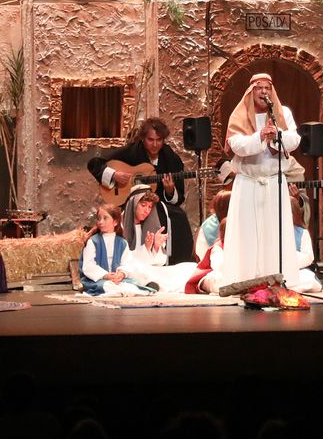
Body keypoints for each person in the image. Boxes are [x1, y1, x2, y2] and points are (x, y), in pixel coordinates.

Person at [215, 74, 302, 289]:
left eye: (267, 88)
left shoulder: (283, 113)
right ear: (251, 91)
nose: (264, 92)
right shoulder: (241, 113)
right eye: (259, 88)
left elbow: (295, 139)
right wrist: (260, 136)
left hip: (274, 182)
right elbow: (236, 144)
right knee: (247, 234)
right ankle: (244, 280)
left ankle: (278, 277)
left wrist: (277, 135)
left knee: (275, 233)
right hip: (248, 182)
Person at [86, 117, 194, 263]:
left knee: (178, 216)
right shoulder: (132, 152)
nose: (155, 144)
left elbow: (178, 198)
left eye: (159, 140)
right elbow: (95, 164)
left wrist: (170, 191)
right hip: (129, 203)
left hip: (157, 204)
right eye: (150, 140)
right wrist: (115, 175)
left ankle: (172, 261)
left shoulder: (170, 158)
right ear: (143, 138)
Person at [117, 188, 198, 293]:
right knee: (142, 272)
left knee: (190, 267)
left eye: (150, 207)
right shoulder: (119, 226)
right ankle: (147, 285)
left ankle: (149, 285)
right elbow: (124, 260)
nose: (147, 210)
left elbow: (159, 262)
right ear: (133, 203)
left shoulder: (151, 226)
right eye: (143, 205)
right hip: (128, 270)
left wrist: (155, 247)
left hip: (149, 269)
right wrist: (145, 248)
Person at [79, 203, 152, 296]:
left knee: (134, 281)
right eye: (99, 218)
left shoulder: (122, 243)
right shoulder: (93, 241)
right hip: (99, 279)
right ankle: (123, 291)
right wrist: (106, 275)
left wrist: (121, 274)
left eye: (105, 218)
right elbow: (89, 266)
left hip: (116, 279)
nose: (100, 222)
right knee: (107, 285)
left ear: (115, 222)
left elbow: (127, 263)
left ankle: (126, 290)